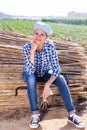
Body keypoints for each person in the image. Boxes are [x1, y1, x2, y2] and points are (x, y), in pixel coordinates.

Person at [22, 21, 85, 129]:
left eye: (42, 34)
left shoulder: (50, 47)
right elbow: (30, 70)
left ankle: (72, 114)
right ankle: (35, 114)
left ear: (46, 37)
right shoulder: (27, 47)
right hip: (30, 73)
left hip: (45, 72)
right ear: (33, 34)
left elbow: (56, 68)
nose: (38, 37)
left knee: (60, 79)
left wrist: (47, 85)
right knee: (31, 79)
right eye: (36, 33)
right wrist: (32, 51)